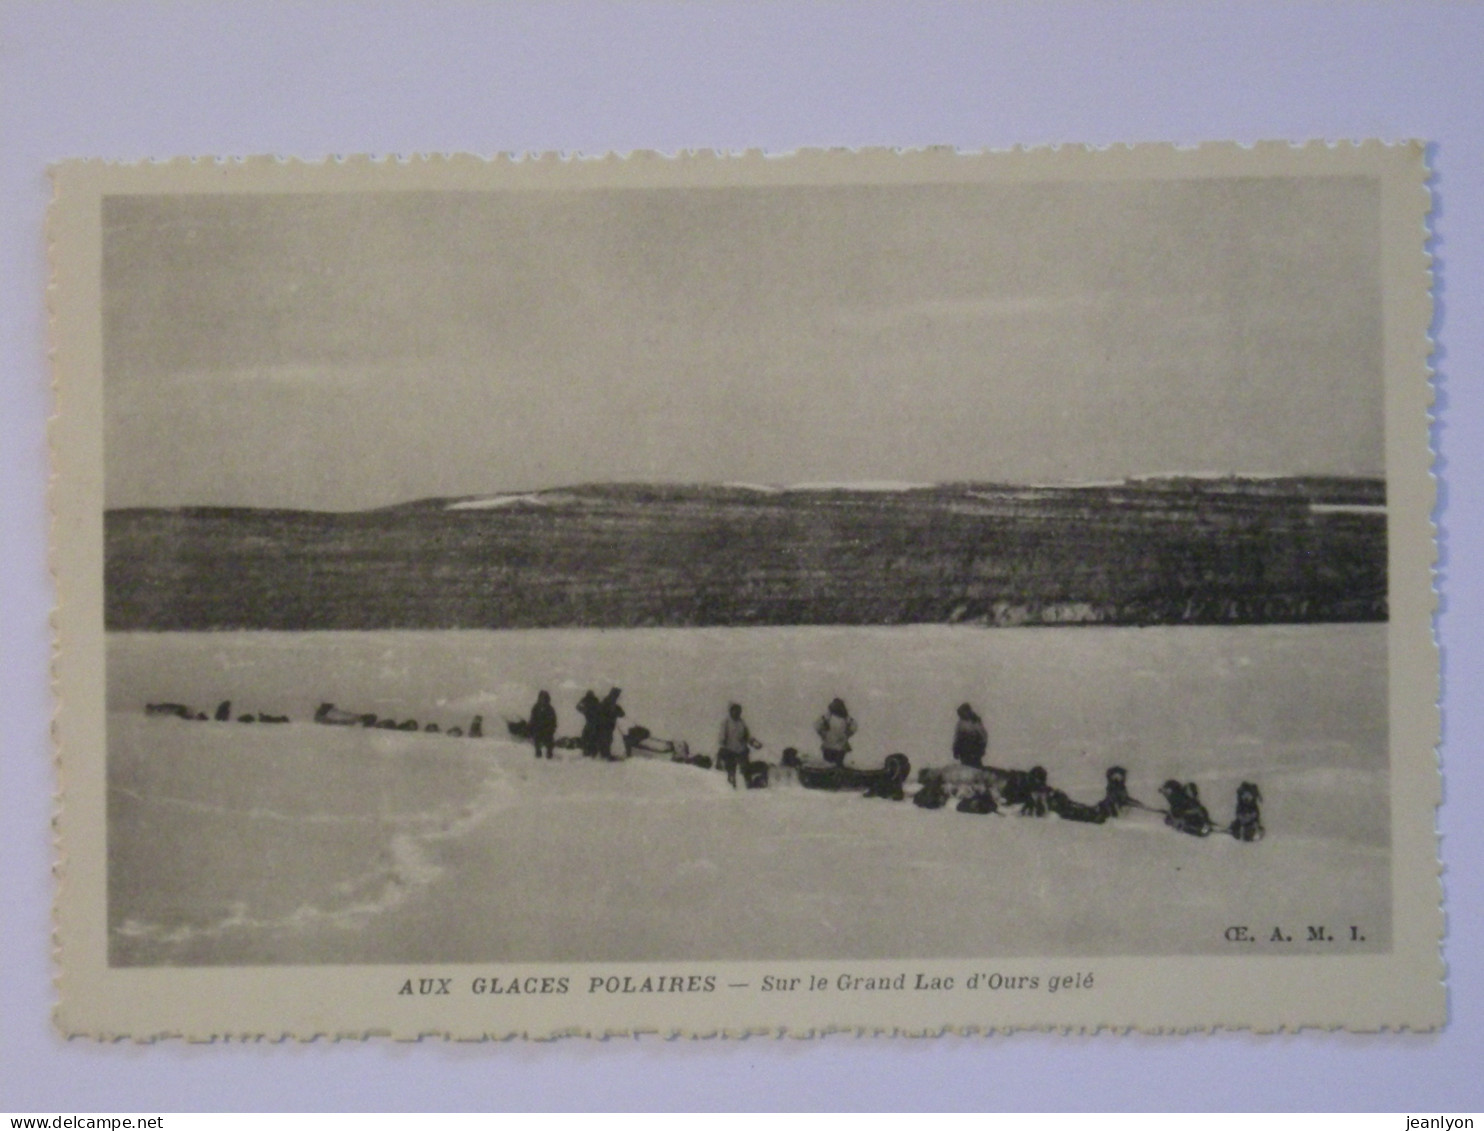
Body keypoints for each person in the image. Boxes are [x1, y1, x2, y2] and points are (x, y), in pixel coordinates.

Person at [717, 702, 763, 789]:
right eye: (734, 711)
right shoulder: (726, 722)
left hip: (741, 749)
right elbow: (722, 737)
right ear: (731, 711)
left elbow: (747, 736)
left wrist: (755, 743)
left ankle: (748, 784)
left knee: (746, 767)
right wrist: (723, 745)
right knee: (731, 768)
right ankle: (731, 785)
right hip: (729, 749)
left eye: (738, 711)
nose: (737, 713)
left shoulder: (742, 723)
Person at [814, 698, 857, 767]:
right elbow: (854, 727)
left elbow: (817, 726)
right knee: (838, 765)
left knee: (828, 765)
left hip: (829, 745)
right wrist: (847, 734)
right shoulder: (846, 718)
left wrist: (823, 734)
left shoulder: (828, 717)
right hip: (840, 746)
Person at [952, 702, 988, 768]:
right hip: (964, 751)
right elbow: (957, 738)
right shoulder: (961, 724)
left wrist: (982, 748)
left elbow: (983, 737)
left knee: (975, 768)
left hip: (975, 750)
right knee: (966, 768)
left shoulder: (976, 722)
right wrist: (955, 750)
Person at [594, 687, 625, 761]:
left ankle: (604, 755)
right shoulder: (609, 702)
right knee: (606, 740)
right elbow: (618, 712)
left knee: (607, 740)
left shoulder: (608, 702)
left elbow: (621, 713)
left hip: (606, 725)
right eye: (617, 695)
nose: (618, 696)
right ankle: (605, 756)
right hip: (605, 725)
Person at [528, 690, 557, 760]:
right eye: (541, 698)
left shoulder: (550, 709)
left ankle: (549, 753)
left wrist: (551, 729)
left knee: (549, 741)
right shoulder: (536, 707)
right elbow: (533, 718)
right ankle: (538, 752)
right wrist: (531, 728)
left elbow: (553, 721)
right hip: (538, 729)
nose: (543, 700)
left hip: (547, 729)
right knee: (537, 740)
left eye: (544, 698)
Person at [576, 690, 601, 758]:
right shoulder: (595, 701)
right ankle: (592, 752)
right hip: (594, 723)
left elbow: (578, 707)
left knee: (587, 737)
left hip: (591, 723)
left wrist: (582, 703)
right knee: (591, 737)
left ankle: (588, 752)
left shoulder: (588, 702)